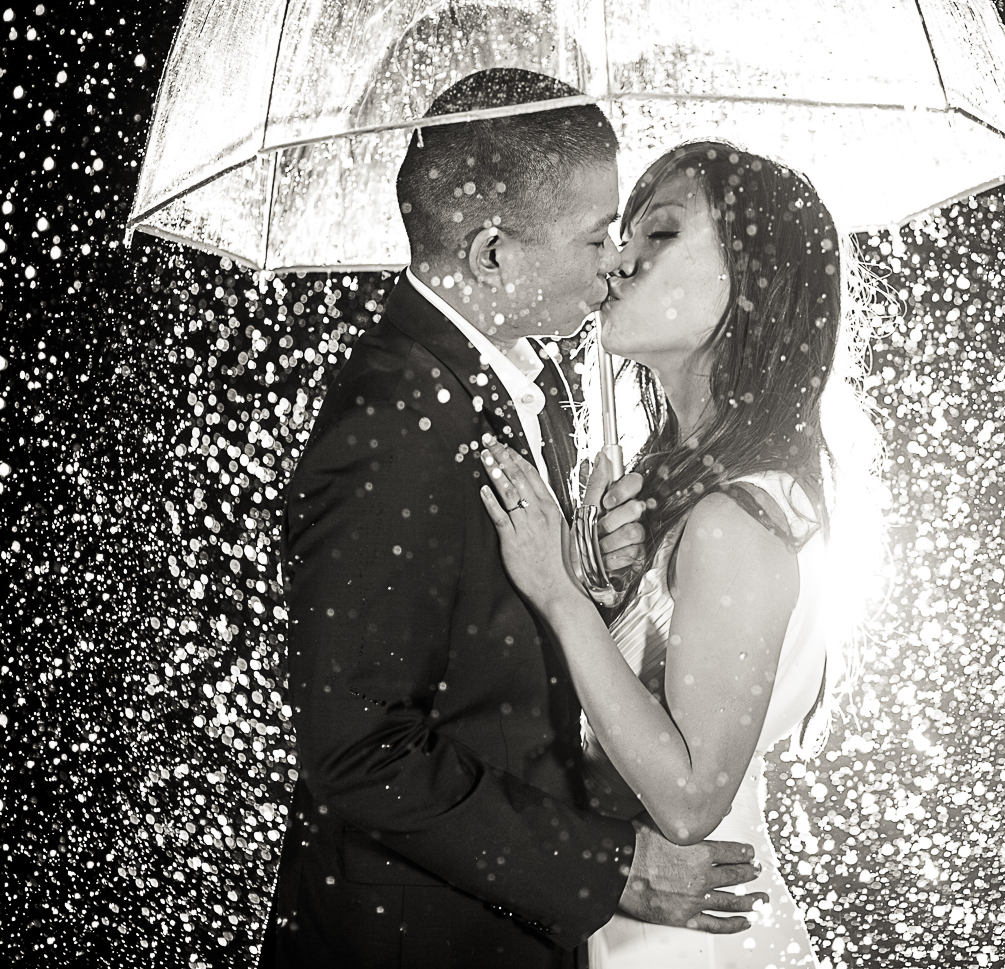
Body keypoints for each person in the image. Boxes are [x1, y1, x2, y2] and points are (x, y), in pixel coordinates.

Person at [263, 77, 768, 968]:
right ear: (493, 253)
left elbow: (484, 658)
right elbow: (357, 747)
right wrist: (611, 869)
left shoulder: (516, 391)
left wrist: (584, 580)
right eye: (594, 237)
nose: (615, 264)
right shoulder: (395, 420)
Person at [478, 141, 877, 969]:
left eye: (658, 234)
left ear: (754, 279)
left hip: (695, 948)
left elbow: (691, 800)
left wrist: (558, 596)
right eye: (624, 234)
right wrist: (594, 585)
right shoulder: (699, 494)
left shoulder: (737, 520)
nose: (618, 261)